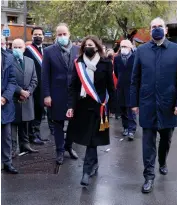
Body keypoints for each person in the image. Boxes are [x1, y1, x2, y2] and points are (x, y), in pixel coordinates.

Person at [130, 17, 177, 194]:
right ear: (150, 30)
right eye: (153, 27)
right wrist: (133, 103)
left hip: (169, 106)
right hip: (147, 105)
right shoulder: (141, 51)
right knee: (148, 143)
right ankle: (149, 176)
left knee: (166, 140)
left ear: (166, 30)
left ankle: (162, 161)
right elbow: (135, 79)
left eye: (160, 26)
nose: (157, 29)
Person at [66, 35, 115, 186]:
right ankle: (93, 164)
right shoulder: (78, 63)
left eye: (91, 45)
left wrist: (112, 107)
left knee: (91, 140)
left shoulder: (105, 63)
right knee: (88, 138)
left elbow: (110, 87)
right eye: (86, 45)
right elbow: (73, 87)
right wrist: (71, 106)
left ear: (97, 47)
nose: (89, 47)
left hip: (99, 106)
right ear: (82, 47)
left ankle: (86, 172)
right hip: (82, 106)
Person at [42, 23, 79, 165]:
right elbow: (45, 75)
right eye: (59, 34)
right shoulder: (49, 51)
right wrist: (46, 95)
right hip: (56, 94)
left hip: (73, 94)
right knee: (58, 123)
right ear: (56, 36)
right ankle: (59, 150)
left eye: (64, 34)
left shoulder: (77, 50)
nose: (62, 37)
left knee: (73, 123)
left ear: (69, 34)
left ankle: (69, 146)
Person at [24, 26, 53, 145]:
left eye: (40, 34)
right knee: (34, 112)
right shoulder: (27, 50)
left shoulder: (45, 50)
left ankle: (37, 134)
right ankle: (32, 136)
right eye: (35, 34)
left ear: (43, 36)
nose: (38, 36)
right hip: (33, 87)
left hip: (44, 87)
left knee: (40, 111)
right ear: (32, 36)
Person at [11, 39, 38, 154]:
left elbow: (34, 79)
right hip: (13, 98)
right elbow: (7, 80)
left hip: (27, 98)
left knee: (25, 123)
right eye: (14, 47)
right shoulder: (7, 61)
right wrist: (20, 91)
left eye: (19, 47)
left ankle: (25, 145)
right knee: (13, 124)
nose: (17, 49)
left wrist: (28, 92)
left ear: (24, 48)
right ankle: (12, 148)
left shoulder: (30, 61)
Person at [114, 40, 137, 140]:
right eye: (122, 46)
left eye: (125, 46)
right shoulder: (117, 58)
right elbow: (116, 72)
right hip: (121, 87)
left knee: (131, 109)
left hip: (132, 87)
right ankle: (125, 128)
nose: (123, 48)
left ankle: (132, 130)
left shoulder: (136, 57)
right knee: (123, 109)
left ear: (130, 47)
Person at [1, 48, 18, 174]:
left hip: (4, 104)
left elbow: (12, 81)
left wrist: (5, 97)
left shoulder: (8, 57)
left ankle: (7, 162)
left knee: (6, 136)